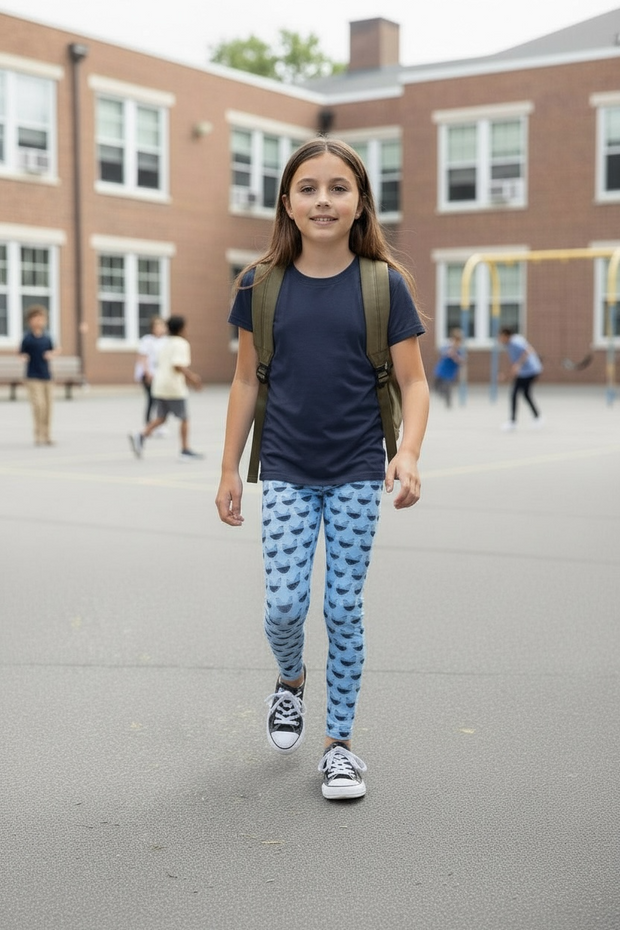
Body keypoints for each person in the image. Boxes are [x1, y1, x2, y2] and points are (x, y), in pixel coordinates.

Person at [215, 138, 429, 801]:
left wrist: (410, 453)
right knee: (283, 606)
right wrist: (228, 468)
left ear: (360, 201)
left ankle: (339, 747)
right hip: (283, 468)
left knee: (342, 607)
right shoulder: (259, 284)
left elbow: (414, 384)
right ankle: (290, 682)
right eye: (308, 188)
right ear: (288, 202)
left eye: (339, 187)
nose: (323, 200)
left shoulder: (383, 284)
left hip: (359, 472)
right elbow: (246, 379)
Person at [129, 315, 203, 460]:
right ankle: (185, 449)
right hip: (173, 387)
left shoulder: (165, 343)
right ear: (182, 328)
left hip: (160, 384)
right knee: (184, 418)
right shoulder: (181, 343)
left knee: (161, 417)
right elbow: (177, 365)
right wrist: (193, 378)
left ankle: (141, 435)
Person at [19, 304, 59, 445]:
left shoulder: (47, 338)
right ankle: (38, 435)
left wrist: (52, 354)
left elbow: (54, 350)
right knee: (39, 405)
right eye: (36, 318)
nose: (39, 321)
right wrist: (23, 357)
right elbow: (21, 353)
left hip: (46, 376)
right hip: (32, 376)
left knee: (48, 407)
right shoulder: (28, 338)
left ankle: (47, 435)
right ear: (30, 320)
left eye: (41, 318)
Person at [498, 327, 543, 430]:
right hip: (526, 371)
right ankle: (537, 417)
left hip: (530, 371)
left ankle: (513, 422)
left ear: (506, 336)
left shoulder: (515, 343)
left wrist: (518, 365)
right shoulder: (509, 344)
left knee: (515, 394)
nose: (500, 339)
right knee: (525, 394)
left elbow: (529, 350)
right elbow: (514, 363)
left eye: (501, 337)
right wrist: (508, 373)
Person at [134, 315, 167, 425]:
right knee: (151, 399)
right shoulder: (147, 340)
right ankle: (149, 423)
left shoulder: (165, 341)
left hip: (160, 373)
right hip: (149, 373)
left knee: (161, 400)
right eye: (157, 326)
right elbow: (143, 357)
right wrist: (147, 373)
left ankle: (159, 422)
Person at [433, 327, 464, 407]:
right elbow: (442, 352)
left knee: (447, 387)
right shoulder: (448, 346)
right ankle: (442, 395)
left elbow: (461, 360)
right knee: (437, 385)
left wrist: (456, 357)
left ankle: (448, 403)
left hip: (450, 373)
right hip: (441, 370)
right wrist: (449, 352)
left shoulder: (459, 350)